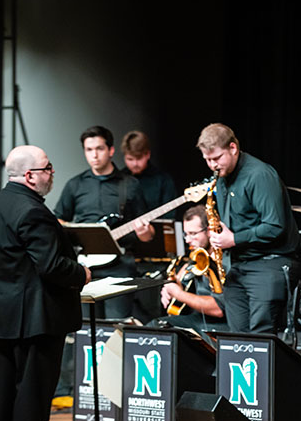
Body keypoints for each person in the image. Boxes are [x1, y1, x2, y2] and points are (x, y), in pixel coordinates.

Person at [0, 145, 91, 421]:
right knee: (35, 390)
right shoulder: (33, 211)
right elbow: (52, 266)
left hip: (5, 314)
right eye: (48, 168)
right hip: (39, 316)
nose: (52, 173)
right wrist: (81, 273)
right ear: (30, 176)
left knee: (5, 388)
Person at [197, 123, 300, 334]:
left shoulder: (260, 175)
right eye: (207, 160)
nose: (212, 165)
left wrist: (234, 239)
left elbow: (275, 226)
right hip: (237, 266)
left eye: (216, 158)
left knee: (261, 337)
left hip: (268, 263)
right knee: (237, 338)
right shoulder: (222, 178)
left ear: (233, 148)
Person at [53, 125, 154, 319]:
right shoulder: (75, 184)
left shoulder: (130, 185)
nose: (94, 155)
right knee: (82, 327)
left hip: (120, 266)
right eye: (89, 150)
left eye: (99, 149)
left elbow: (148, 232)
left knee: (117, 326)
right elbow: (59, 219)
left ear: (111, 150)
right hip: (82, 266)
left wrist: (145, 234)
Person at [153, 205, 227, 333]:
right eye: (185, 234)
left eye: (193, 234)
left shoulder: (224, 261)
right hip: (199, 318)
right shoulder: (196, 256)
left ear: (209, 231)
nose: (187, 240)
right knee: (157, 325)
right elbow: (179, 281)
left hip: (220, 325)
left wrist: (178, 294)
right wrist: (170, 287)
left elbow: (219, 309)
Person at [121, 130, 177, 219]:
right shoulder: (119, 179)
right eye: (130, 159)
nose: (135, 164)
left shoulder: (163, 180)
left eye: (139, 158)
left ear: (147, 154)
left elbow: (169, 217)